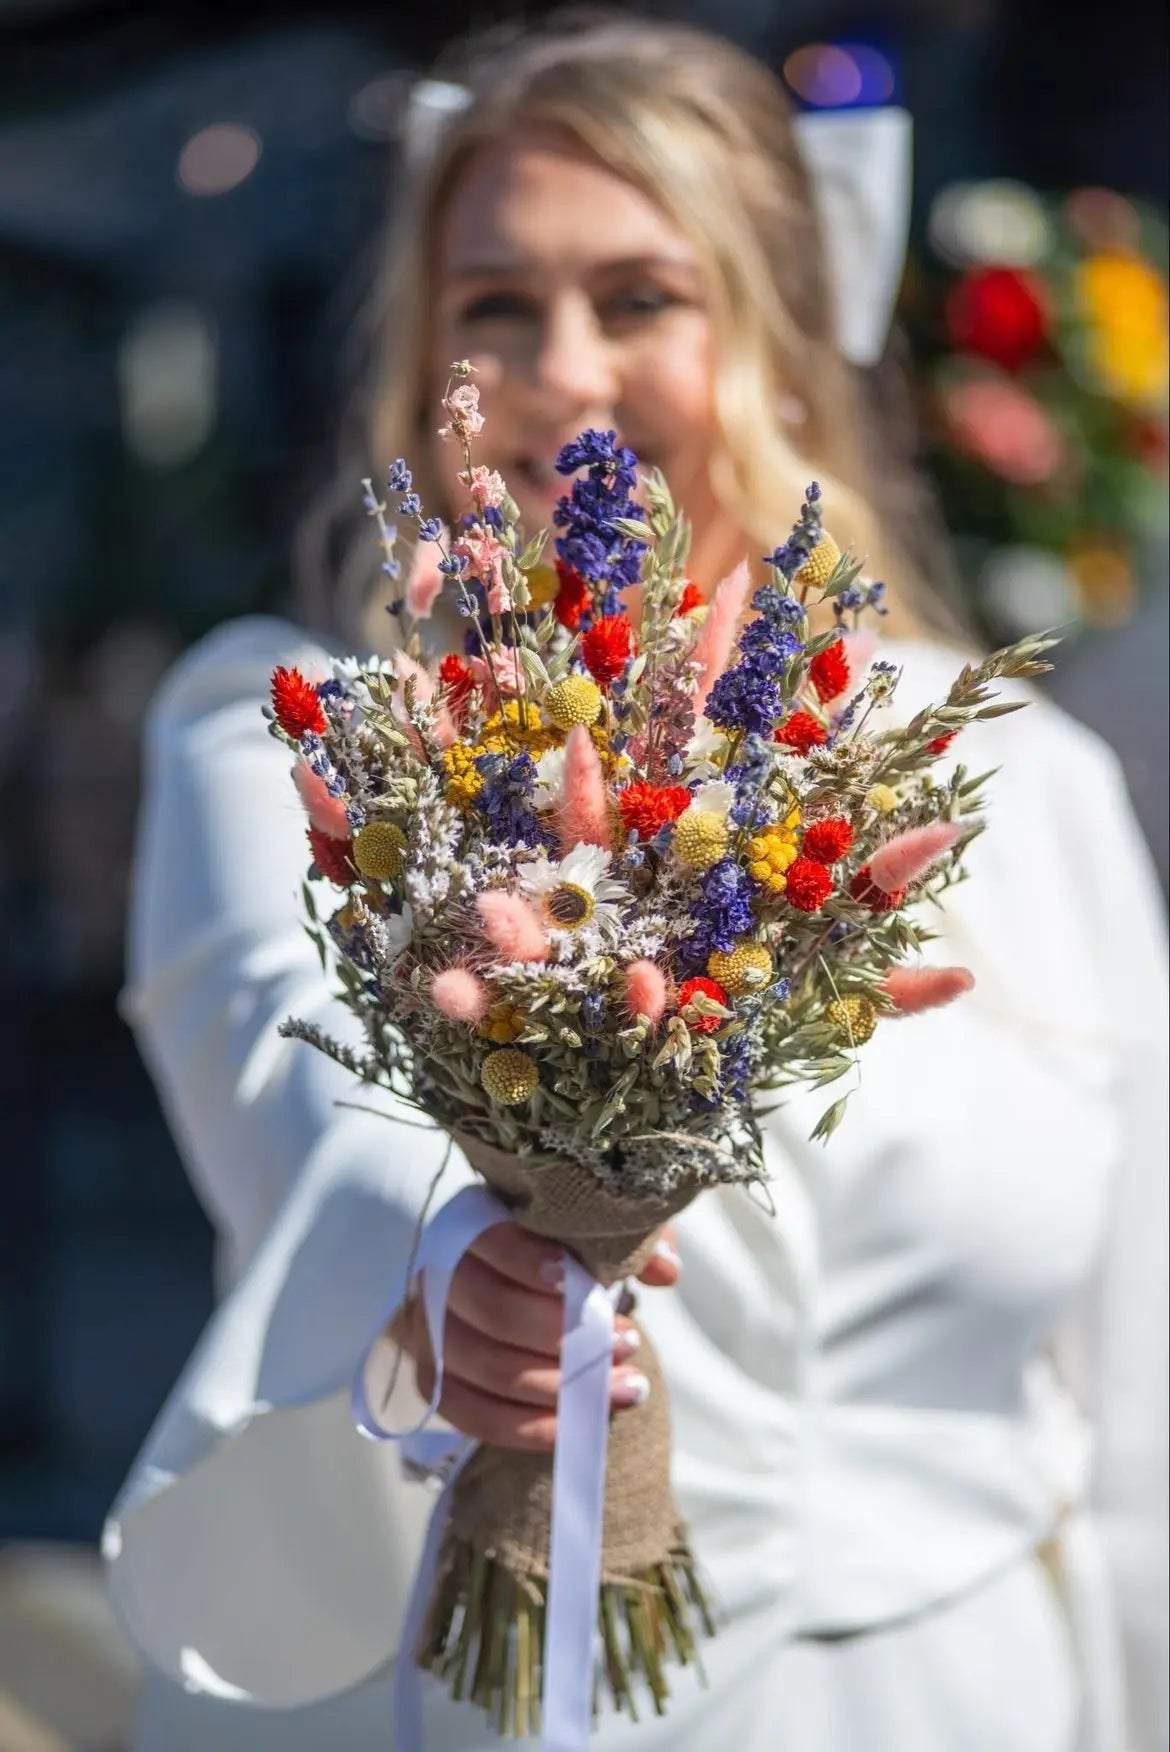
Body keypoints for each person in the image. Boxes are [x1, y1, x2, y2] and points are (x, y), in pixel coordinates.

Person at [106, 15, 1168, 1751]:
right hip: (459, 1693)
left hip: (955, 1698)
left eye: (641, 298)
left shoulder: (1017, 785)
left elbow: (1137, 1377)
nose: (565, 374)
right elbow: (301, 1089)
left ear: (775, 342)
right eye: (496, 306)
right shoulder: (301, 732)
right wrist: (457, 1264)